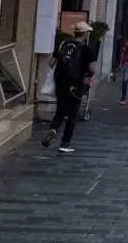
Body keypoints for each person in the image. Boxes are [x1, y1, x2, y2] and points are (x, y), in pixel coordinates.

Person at [42, 22, 97, 153]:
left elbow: (51, 63)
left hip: (60, 82)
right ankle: (64, 143)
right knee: (72, 114)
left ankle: (53, 129)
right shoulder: (86, 49)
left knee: (60, 110)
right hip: (76, 85)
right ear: (84, 34)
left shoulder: (63, 44)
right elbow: (92, 69)